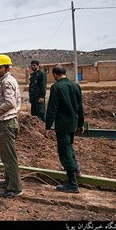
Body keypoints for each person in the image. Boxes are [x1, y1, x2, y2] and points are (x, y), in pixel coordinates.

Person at [0, 54, 22, 198]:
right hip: (9, 120)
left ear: (7, 68)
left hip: (7, 121)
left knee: (9, 156)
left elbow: (10, 103)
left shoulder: (7, 82)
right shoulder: (8, 80)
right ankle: (8, 180)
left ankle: (15, 187)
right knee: (6, 154)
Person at [45, 65, 84, 194]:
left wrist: (48, 126)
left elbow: (52, 108)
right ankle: (76, 169)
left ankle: (72, 184)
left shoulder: (56, 87)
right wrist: (81, 123)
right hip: (73, 123)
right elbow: (80, 107)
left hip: (62, 125)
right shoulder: (75, 86)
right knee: (69, 146)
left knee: (64, 151)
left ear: (55, 74)